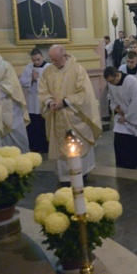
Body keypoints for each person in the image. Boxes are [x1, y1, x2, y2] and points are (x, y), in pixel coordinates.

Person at [39, 45, 102, 181]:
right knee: (61, 147)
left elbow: (84, 94)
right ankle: (65, 177)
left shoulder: (77, 70)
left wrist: (66, 102)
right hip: (57, 116)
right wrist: (49, 102)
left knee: (78, 146)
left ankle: (82, 172)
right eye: (52, 60)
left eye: (56, 60)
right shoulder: (48, 71)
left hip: (74, 116)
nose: (54, 63)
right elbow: (43, 90)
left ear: (64, 56)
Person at [19, 48, 50, 153]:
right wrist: (32, 79)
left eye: (38, 59)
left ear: (42, 57)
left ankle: (44, 146)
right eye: (34, 60)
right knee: (32, 122)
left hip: (43, 99)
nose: (36, 62)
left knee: (42, 123)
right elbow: (22, 81)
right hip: (31, 99)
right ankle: (33, 145)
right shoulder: (28, 67)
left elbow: (51, 83)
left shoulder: (48, 67)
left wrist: (38, 79)